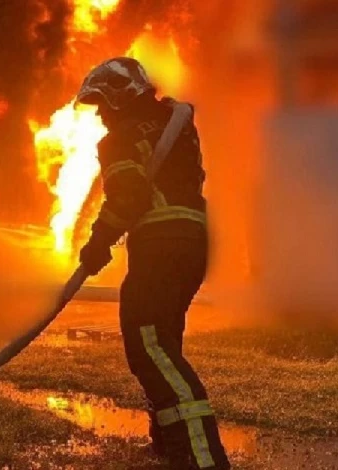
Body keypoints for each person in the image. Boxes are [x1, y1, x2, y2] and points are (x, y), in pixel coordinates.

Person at [75, 57, 231, 469]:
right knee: (164, 340)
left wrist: (97, 243)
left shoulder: (118, 140)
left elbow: (129, 196)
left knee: (149, 346)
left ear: (120, 97)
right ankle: (167, 445)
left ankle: (201, 459)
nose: (101, 116)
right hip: (192, 244)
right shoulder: (174, 123)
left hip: (161, 245)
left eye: (102, 105)